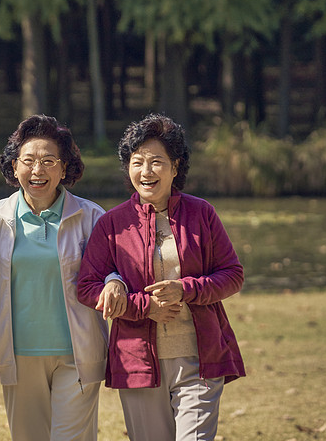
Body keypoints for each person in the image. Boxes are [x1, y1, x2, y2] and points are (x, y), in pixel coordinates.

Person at [77, 113, 245, 441]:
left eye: (157, 162)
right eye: (137, 162)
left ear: (176, 166)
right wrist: (142, 306)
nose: (146, 171)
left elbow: (232, 274)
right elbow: (86, 287)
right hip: (136, 361)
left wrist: (186, 289)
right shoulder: (112, 224)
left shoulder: (202, 213)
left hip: (200, 358)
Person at [0, 115, 121, 441]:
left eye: (49, 161)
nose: (38, 170)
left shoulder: (91, 217)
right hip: (17, 356)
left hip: (79, 354)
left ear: (64, 169)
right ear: (14, 167)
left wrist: (115, 281)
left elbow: (115, 267)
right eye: (29, 161)